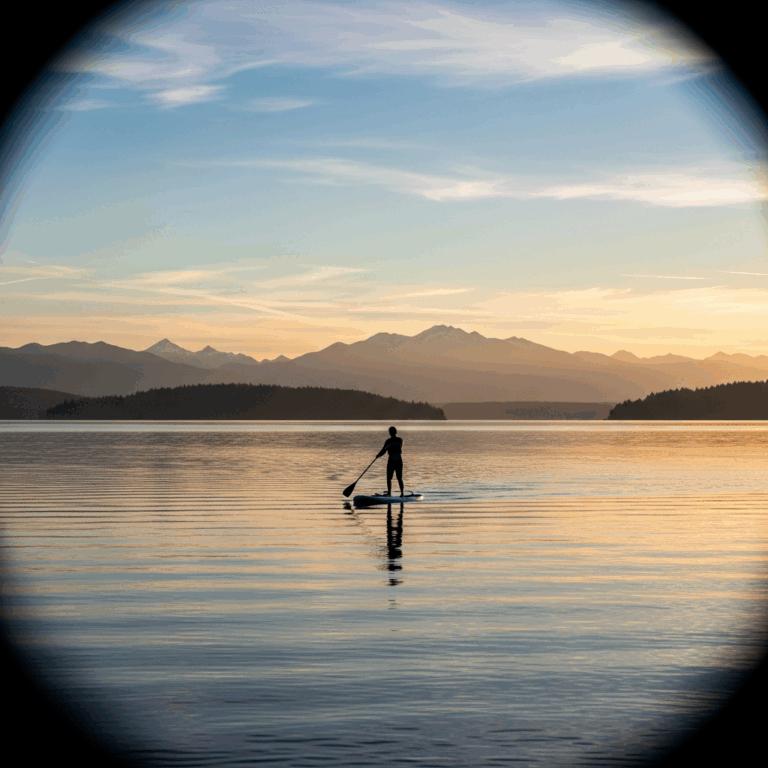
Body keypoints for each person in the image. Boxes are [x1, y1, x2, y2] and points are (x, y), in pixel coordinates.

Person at [377, 426, 404, 497]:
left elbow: (398, 446)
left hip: (398, 460)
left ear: (395, 432)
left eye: (391, 432)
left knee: (399, 478)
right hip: (391, 461)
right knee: (388, 478)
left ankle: (402, 493)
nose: (391, 433)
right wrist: (378, 455)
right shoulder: (387, 441)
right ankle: (389, 493)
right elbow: (383, 450)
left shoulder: (399, 440)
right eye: (390, 432)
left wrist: (390, 446)